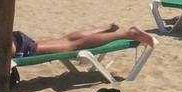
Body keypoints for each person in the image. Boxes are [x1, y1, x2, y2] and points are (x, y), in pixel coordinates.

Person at [12, 24, 157, 60]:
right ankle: (105, 28)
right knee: (65, 40)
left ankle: (128, 34)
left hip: (16, 46)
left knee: (71, 45)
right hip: (15, 40)